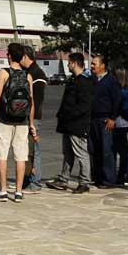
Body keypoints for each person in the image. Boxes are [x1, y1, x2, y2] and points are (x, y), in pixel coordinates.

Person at [0, 42, 35, 202]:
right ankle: (18, 192)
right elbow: (31, 102)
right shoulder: (28, 76)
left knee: (2, 154)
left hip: (5, 119)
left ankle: (3, 191)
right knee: (20, 156)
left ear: (9, 55)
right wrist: (31, 123)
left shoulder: (4, 73)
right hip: (22, 121)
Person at [46, 52, 94, 194]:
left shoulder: (84, 82)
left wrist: (71, 115)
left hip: (77, 125)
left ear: (74, 63)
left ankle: (85, 182)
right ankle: (63, 179)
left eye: (69, 62)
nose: (67, 65)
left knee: (81, 153)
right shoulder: (73, 80)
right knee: (67, 153)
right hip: (68, 124)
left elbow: (85, 106)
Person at [88, 54, 120, 188]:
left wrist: (112, 118)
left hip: (105, 119)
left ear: (102, 66)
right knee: (94, 149)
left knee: (106, 150)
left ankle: (109, 179)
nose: (91, 66)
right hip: (92, 120)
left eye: (94, 64)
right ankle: (97, 177)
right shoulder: (92, 80)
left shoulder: (111, 81)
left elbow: (116, 100)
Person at [19, 45, 47, 193]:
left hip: (33, 118)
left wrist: (31, 121)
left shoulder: (37, 74)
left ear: (25, 57)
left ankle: (35, 183)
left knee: (34, 151)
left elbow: (36, 100)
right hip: (28, 117)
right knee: (26, 151)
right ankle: (27, 180)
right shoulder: (29, 72)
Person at [112, 68, 128, 187]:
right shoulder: (127, 90)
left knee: (122, 151)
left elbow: (123, 108)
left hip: (120, 123)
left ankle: (124, 174)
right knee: (123, 150)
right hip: (124, 123)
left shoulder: (122, 92)